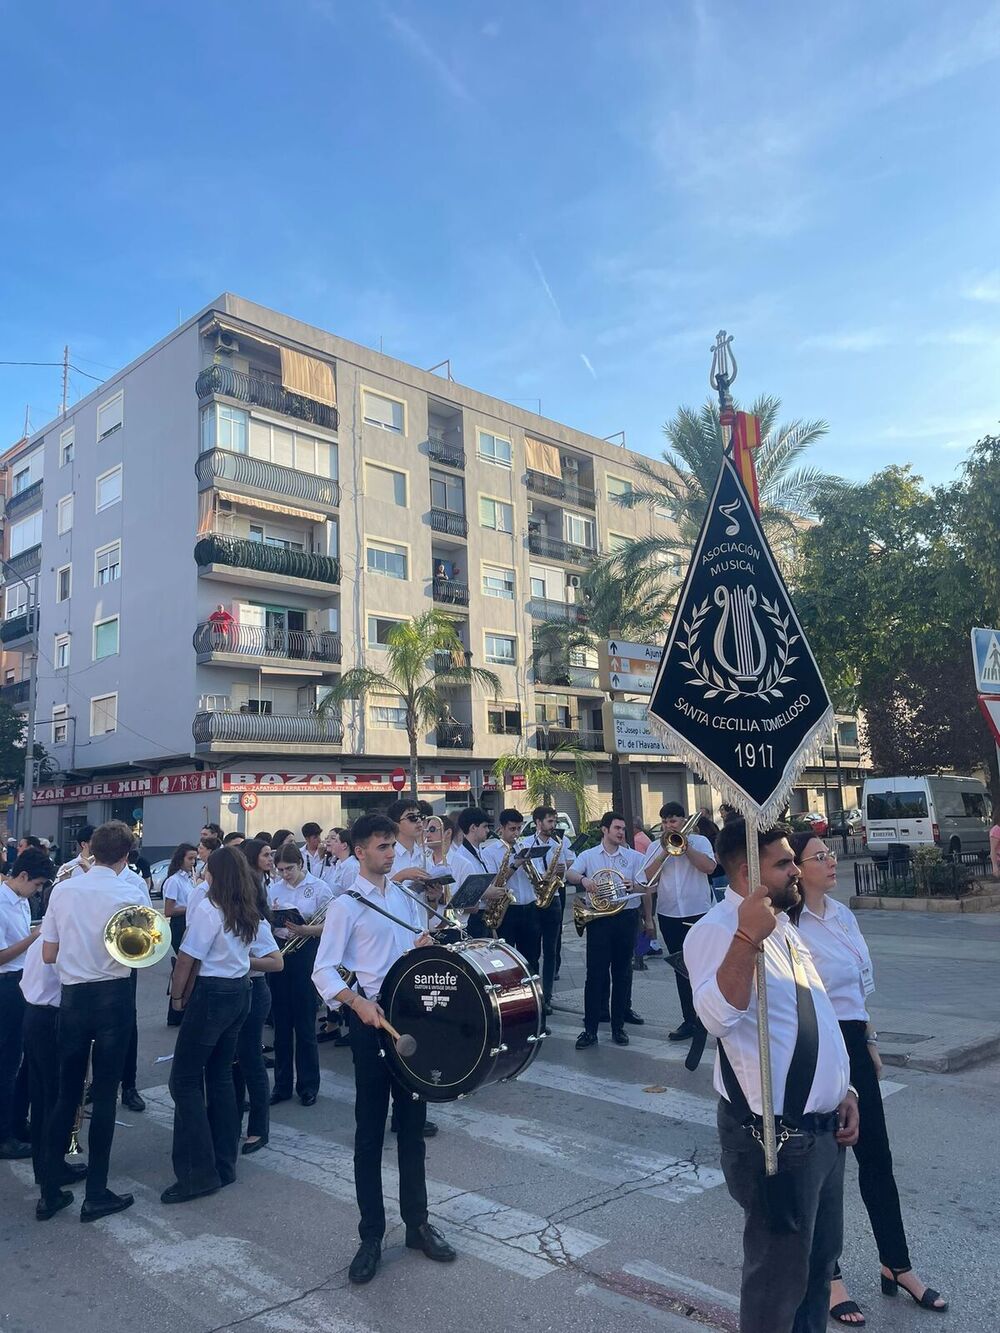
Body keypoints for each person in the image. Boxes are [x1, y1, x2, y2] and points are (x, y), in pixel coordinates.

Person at [684, 819, 859, 1333]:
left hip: (824, 1129)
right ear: (747, 870)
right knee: (776, 1286)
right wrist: (745, 937)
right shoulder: (716, 931)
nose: (796, 872)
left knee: (817, 1269)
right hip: (775, 1138)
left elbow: (812, 1017)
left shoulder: (783, 924)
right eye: (784, 863)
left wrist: (844, 1089)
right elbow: (716, 1017)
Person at [790, 832, 948, 1323]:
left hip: (855, 1042)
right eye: (819, 856)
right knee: (827, 1166)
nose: (831, 860)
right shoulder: (790, 927)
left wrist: (872, 1042)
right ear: (798, 870)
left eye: (830, 853)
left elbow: (860, 986)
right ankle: (830, 1275)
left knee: (877, 1156)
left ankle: (896, 1264)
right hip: (817, 1046)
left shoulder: (843, 915)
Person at [312, 813, 454, 1285]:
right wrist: (354, 1002)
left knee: (412, 1132)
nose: (391, 853)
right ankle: (371, 1235)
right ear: (358, 852)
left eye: (392, 845)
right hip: (372, 1030)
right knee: (369, 1136)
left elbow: (409, 953)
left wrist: (423, 943)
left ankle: (417, 1225)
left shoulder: (401, 897)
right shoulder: (345, 906)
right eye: (381, 846)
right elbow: (324, 971)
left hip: (411, 1026)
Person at [38, 821, 152, 1221]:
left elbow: (48, 954)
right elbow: (142, 953)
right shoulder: (132, 890)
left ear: (92, 850)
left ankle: (49, 1192)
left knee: (65, 1094)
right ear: (125, 856)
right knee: (104, 1095)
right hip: (113, 998)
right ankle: (97, 1193)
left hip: (71, 1000)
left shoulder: (63, 889)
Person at [163, 846, 280, 1203]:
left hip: (212, 993)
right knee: (220, 1077)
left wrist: (178, 999)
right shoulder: (247, 910)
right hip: (239, 992)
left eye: (208, 870)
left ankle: (198, 1172)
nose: (204, 874)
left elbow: (187, 959)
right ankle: (224, 1164)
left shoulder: (209, 909)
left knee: (183, 1081)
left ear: (216, 874)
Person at [567, 812, 652, 1047]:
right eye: (616, 828)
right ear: (604, 830)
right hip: (600, 920)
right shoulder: (589, 855)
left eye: (623, 828)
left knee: (622, 974)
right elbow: (570, 873)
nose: (621, 832)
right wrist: (584, 881)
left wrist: (632, 885)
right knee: (595, 975)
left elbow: (646, 886)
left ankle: (618, 1028)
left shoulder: (634, 857)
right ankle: (590, 1030)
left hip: (625, 918)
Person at [19, 927, 88, 1198]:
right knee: (57, 1100)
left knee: (42, 1100)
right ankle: (51, 1184)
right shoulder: (61, 940)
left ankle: (47, 1168)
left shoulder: (43, 937)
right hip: (53, 1021)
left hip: (34, 1015)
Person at [641, 803, 717, 1042]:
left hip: (699, 912)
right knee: (680, 968)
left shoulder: (701, 842)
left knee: (704, 967)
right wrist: (665, 851)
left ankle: (709, 1018)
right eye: (664, 822)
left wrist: (686, 849)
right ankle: (689, 1020)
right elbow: (647, 877)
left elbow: (710, 868)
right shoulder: (656, 846)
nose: (667, 826)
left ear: (684, 821)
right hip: (669, 914)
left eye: (672, 821)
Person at [267, 842, 333, 1106]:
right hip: (281, 952)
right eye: (281, 869)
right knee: (281, 1025)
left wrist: (307, 930)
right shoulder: (274, 888)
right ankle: (282, 1085)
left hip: (307, 952)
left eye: (289, 869)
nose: (285, 874)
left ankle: (308, 1085)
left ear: (301, 865)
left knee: (305, 1023)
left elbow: (331, 923)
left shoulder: (319, 887)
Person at [0, 849, 53, 1159]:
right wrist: (36, 937)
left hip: (19, 984)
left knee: (17, 1061)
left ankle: (15, 1123)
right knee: (7, 1064)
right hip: (5, 986)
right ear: (21, 876)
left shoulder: (20, 900)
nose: (37, 890)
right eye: (36, 884)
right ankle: (4, 1135)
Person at [521, 807, 575, 1012]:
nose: (553, 826)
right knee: (532, 950)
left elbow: (567, 870)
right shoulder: (526, 844)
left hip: (553, 899)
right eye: (550, 822)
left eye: (554, 822)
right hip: (534, 899)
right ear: (538, 822)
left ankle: (548, 997)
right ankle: (534, 995)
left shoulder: (559, 844)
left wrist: (563, 870)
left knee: (551, 949)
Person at [486, 809, 540, 972]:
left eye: (519, 828)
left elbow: (537, 878)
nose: (516, 833)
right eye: (512, 829)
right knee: (508, 958)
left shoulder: (524, 847)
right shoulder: (490, 852)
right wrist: (515, 865)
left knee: (532, 957)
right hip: (508, 910)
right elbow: (496, 882)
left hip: (530, 907)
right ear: (501, 828)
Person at [163, 843, 199, 1025]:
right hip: (178, 925)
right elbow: (168, 910)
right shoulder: (174, 881)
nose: (193, 863)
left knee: (188, 969)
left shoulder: (189, 879)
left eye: (195, 859)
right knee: (182, 967)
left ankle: (182, 1011)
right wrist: (192, 907)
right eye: (190, 858)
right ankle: (175, 1013)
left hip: (189, 924)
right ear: (180, 859)